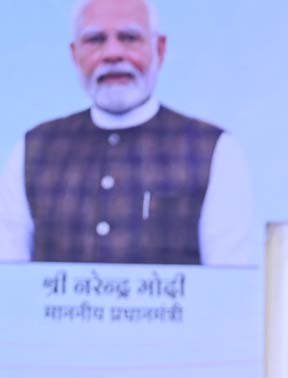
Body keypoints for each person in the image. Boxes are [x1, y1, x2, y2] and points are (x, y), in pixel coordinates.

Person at [0, 0, 252, 265]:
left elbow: (228, 281)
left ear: (159, 49)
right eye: (95, 40)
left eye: (129, 38)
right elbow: (8, 275)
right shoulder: (34, 149)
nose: (112, 53)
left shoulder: (213, 149)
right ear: (75, 55)